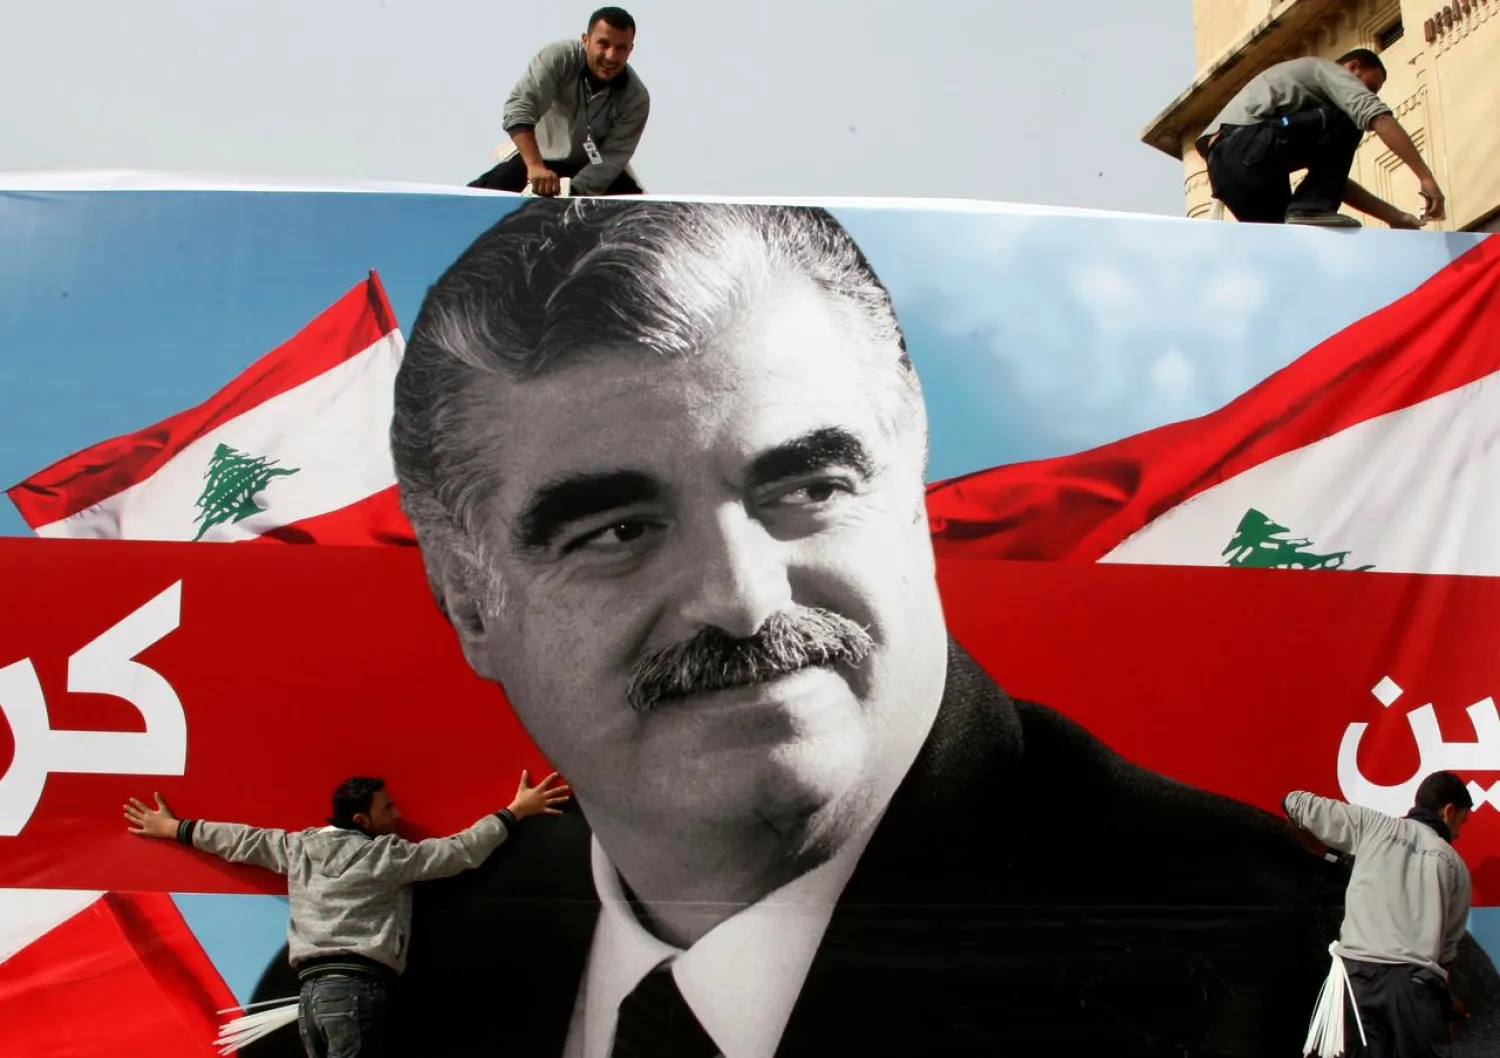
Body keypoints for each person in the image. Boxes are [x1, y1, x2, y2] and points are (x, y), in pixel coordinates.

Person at [247, 200, 1500, 1057]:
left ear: (913, 490)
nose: (744, 595)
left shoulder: (1271, 959)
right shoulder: (406, 980)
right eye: (615, 530)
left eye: (804, 487)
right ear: (469, 599)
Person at [124, 770, 570, 1058]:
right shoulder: (386, 857)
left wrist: (175, 829)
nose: (397, 815)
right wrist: (514, 813)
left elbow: (240, 840)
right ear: (362, 819)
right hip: (356, 992)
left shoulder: (299, 848)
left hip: (312, 1000)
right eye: (388, 808)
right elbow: (459, 853)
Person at [1285, 771, 1475, 1057]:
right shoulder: (1454, 865)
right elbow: (1446, 953)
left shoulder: (1372, 827)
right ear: (1448, 811)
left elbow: (1294, 802)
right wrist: (1444, 1004)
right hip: (1416, 989)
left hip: (1356, 982)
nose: (1458, 833)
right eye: (1461, 821)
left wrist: (1318, 845)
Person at [1199, 49, 1445, 229]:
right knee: (1351, 114)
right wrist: (1426, 178)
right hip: (1247, 146)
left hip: (1227, 173)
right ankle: (1310, 209)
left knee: (1289, 243)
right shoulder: (1325, 70)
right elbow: (1377, 117)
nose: (1367, 93)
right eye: (1368, 86)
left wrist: (1393, 216)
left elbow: (1331, 181)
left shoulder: (1302, 105)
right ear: (1352, 67)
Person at [469, 8, 648, 198]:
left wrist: (571, 193)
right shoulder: (559, 59)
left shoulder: (636, 98)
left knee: (638, 209)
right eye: (603, 44)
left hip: (594, 169)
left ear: (631, 49)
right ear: (585, 40)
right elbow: (519, 108)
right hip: (538, 160)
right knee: (486, 192)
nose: (611, 56)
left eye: (621, 48)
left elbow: (613, 157)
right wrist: (535, 167)